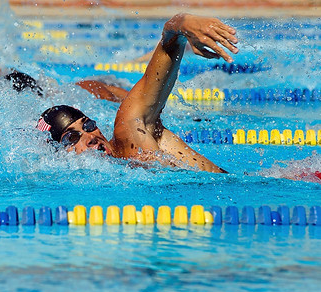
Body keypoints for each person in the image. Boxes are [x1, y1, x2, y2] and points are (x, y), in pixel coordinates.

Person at [37, 13, 238, 173]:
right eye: (71, 138)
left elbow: (169, 41)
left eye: (88, 125)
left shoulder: (130, 135)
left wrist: (182, 23)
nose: (90, 137)